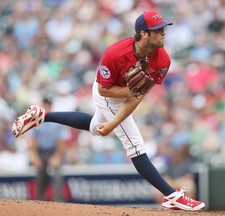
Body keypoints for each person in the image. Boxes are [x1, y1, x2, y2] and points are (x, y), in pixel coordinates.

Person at [12, 11, 205, 211]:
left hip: (126, 94)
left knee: (96, 127)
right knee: (135, 146)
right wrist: (121, 109)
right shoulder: (116, 53)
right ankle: (171, 196)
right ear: (144, 34)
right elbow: (105, 89)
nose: (163, 33)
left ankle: (42, 116)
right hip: (106, 92)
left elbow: (138, 96)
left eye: (163, 29)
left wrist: (115, 119)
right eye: (158, 30)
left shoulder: (163, 60)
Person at [28, 96, 69, 201]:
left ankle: (58, 203)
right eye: (45, 104)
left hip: (54, 151)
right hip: (41, 152)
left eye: (49, 104)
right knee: (41, 177)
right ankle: (39, 203)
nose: (47, 106)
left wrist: (57, 157)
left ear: (51, 105)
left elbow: (62, 141)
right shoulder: (36, 119)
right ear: (42, 104)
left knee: (57, 175)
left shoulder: (57, 119)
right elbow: (32, 140)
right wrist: (35, 157)